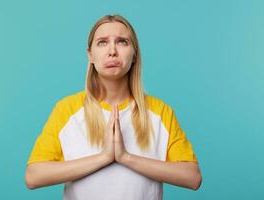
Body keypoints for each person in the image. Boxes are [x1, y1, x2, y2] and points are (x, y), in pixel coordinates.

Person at [25, 14, 202, 200]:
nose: (112, 51)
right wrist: (103, 157)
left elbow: (193, 177)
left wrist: (126, 157)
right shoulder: (66, 109)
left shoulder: (161, 112)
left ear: (134, 55)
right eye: (102, 42)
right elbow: (33, 176)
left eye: (122, 42)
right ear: (90, 55)